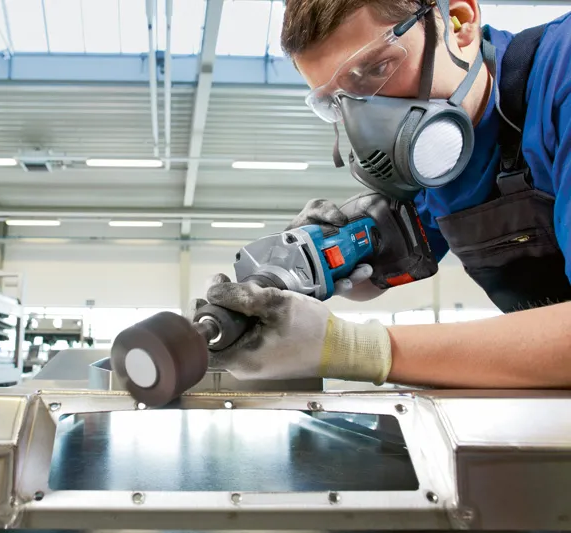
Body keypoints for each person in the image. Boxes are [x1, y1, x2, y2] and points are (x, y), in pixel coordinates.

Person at [197, 0, 571, 388]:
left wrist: (356, 348)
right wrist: (302, 276)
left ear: (460, 23)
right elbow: (378, 266)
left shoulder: (562, 73)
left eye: (377, 68)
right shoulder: (439, 167)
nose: (366, 120)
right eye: (336, 102)